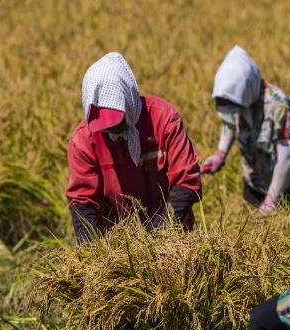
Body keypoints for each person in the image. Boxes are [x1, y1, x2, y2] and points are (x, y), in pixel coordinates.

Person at [66, 52, 202, 243]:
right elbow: (83, 202)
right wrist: (91, 252)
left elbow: (187, 182)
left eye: (116, 121)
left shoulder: (164, 120)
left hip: (172, 238)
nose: (112, 130)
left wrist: (159, 236)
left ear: (128, 100)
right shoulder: (83, 142)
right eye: (105, 126)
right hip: (117, 245)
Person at [200, 46, 290, 214]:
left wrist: (271, 200)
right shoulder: (234, 101)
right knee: (253, 225)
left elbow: (286, 157)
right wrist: (220, 154)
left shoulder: (277, 105)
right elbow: (229, 123)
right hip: (258, 182)